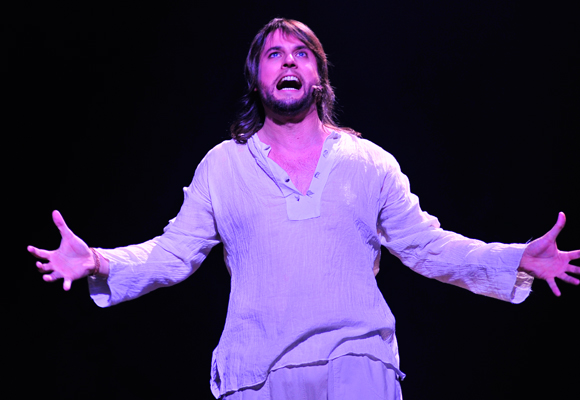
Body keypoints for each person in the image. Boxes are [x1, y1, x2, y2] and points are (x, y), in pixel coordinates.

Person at [28, 18, 579, 400]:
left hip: (357, 364)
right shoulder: (224, 166)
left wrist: (515, 260)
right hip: (258, 372)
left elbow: (427, 245)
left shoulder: (368, 162)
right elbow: (174, 253)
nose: (287, 61)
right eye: (274, 54)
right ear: (257, 78)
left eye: (301, 54)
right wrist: (99, 260)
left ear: (318, 77)